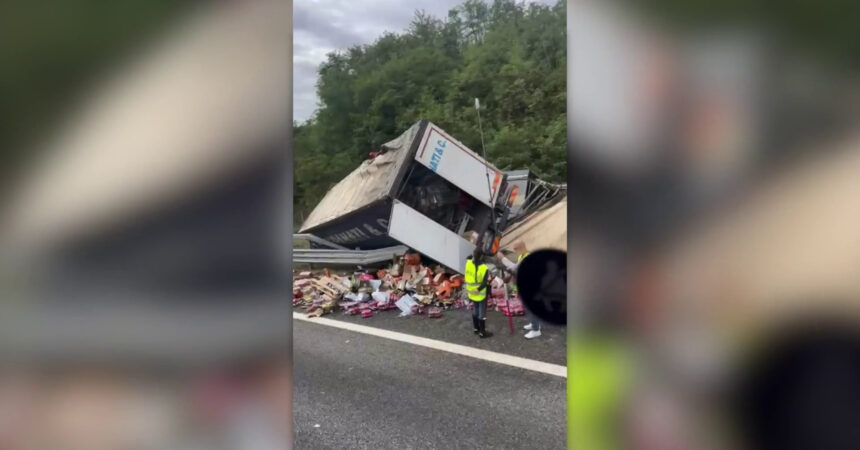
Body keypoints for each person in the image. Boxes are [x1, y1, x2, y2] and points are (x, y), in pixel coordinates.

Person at [495, 240, 541, 339]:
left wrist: (502, 258)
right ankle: (534, 324)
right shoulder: (521, 257)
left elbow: (513, 268)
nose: (515, 251)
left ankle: (536, 330)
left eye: (515, 249)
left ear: (519, 248)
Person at [465, 247, 493, 338]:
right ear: (482, 256)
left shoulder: (468, 263)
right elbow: (485, 283)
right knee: (482, 312)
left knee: (475, 309)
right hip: (480, 293)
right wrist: (479, 290)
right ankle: (482, 332)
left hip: (471, 291)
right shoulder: (484, 268)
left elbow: (469, 257)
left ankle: (476, 329)